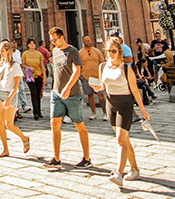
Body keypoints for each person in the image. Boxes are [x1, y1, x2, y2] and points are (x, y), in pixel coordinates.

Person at [89, 37, 149, 188]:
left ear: (119, 52)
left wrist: (142, 109)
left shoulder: (126, 69)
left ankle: (118, 173)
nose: (110, 53)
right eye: (108, 51)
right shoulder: (103, 66)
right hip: (111, 104)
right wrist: (96, 88)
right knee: (125, 140)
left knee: (120, 140)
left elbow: (135, 90)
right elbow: (103, 86)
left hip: (124, 105)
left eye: (113, 51)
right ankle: (135, 169)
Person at [46, 27, 91, 169]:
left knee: (79, 124)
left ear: (62, 37)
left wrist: (68, 87)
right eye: (51, 41)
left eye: (55, 40)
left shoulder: (72, 51)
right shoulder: (54, 51)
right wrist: (56, 88)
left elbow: (77, 71)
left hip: (72, 94)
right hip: (56, 93)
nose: (53, 43)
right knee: (54, 123)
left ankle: (87, 158)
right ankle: (56, 158)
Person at [0, 40, 30, 157]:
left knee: (9, 125)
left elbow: (16, 86)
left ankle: (24, 138)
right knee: (0, 123)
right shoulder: (0, 64)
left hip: (10, 95)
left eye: (2, 51)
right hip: (0, 93)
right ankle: (5, 149)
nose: (0, 53)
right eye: (0, 51)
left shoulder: (15, 66)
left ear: (8, 51)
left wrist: (9, 99)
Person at [78, 35, 106, 121]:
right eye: (86, 41)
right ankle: (93, 112)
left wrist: (102, 74)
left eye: (89, 40)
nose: (88, 42)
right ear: (83, 42)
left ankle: (105, 112)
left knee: (101, 96)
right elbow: (78, 65)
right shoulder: (80, 53)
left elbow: (102, 63)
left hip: (97, 76)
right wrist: (80, 75)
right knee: (90, 95)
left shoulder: (97, 51)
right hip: (86, 77)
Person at [21, 39, 45, 120]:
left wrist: (44, 77)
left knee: (38, 94)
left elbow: (42, 66)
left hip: (38, 75)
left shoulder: (39, 54)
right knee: (33, 93)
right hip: (30, 76)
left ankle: (39, 110)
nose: (32, 45)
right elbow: (23, 65)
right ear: (28, 45)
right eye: (31, 44)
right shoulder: (25, 54)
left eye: (33, 44)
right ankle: (35, 112)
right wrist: (28, 67)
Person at [11, 41, 32, 114]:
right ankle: (15, 108)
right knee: (14, 91)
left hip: (18, 72)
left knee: (21, 89)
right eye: (12, 46)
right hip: (12, 73)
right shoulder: (9, 53)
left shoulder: (18, 52)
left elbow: (20, 63)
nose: (13, 48)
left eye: (14, 46)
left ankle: (24, 105)